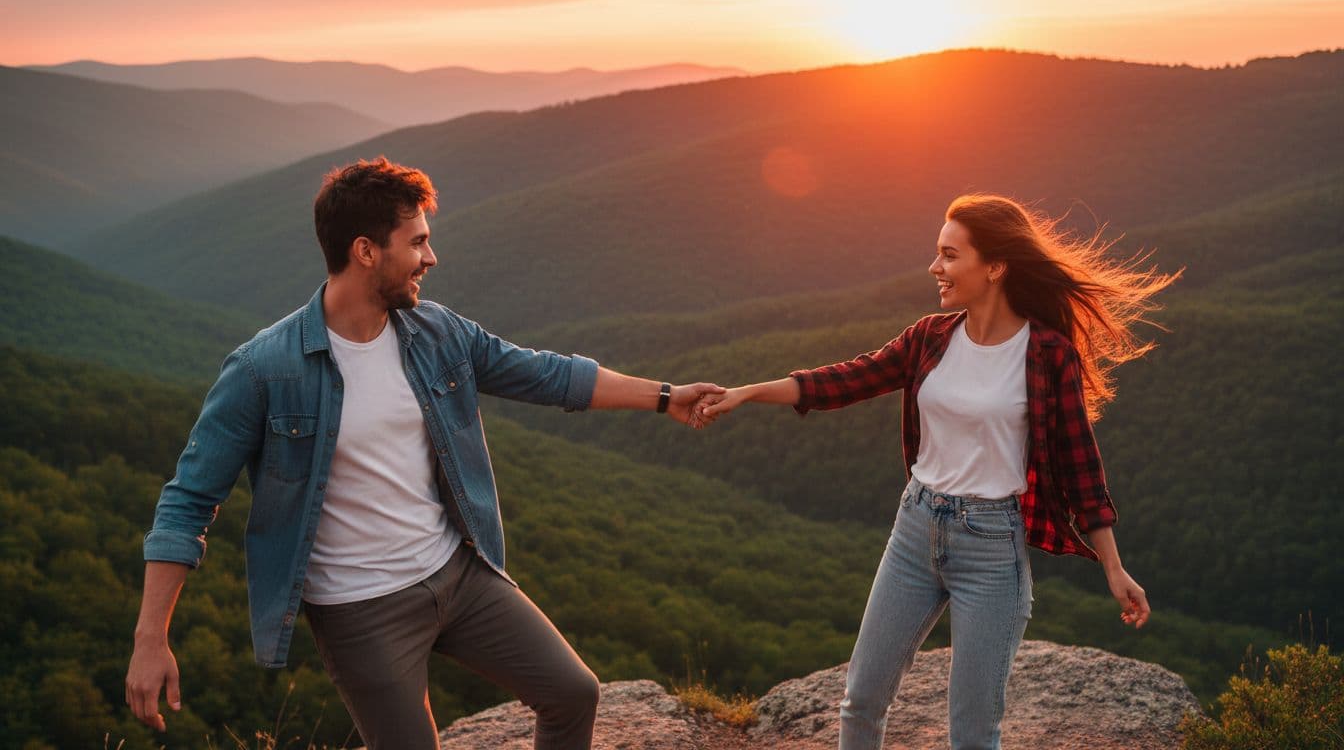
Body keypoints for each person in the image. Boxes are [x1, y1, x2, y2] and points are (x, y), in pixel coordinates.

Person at [124, 157, 724, 750]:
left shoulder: (435, 332)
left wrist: (664, 396)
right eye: (417, 243)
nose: (430, 259)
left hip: (458, 574)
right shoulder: (263, 369)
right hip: (360, 611)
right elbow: (188, 502)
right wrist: (151, 638)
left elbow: (546, 376)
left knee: (573, 693)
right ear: (366, 251)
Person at [698, 194, 1177, 750]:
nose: (935, 268)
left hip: (992, 547)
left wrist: (1113, 568)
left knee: (973, 734)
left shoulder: (1048, 354)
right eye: (937, 254)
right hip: (915, 529)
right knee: (860, 701)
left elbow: (1081, 467)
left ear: (994, 266)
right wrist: (746, 393)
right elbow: (845, 381)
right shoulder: (931, 337)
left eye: (950, 255)